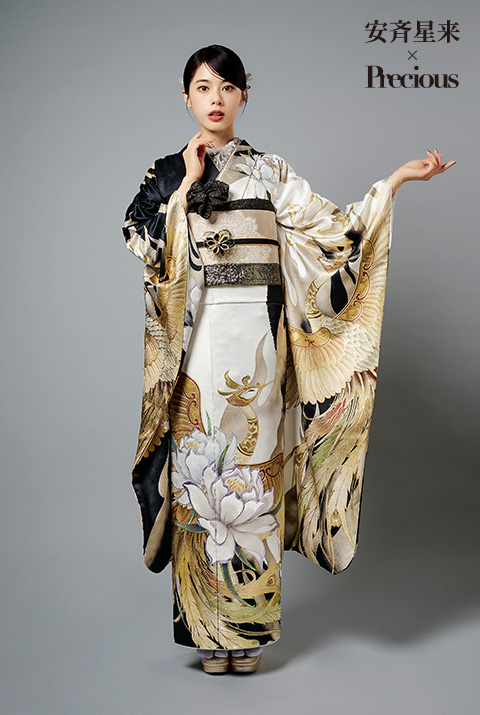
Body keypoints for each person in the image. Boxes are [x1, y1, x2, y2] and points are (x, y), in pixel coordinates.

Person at [122, 45, 455, 675]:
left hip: (259, 339)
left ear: (245, 96)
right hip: (198, 344)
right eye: (203, 87)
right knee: (201, 475)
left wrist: (393, 184)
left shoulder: (271, 171)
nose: (216, 98)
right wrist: (187, 186)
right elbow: (142, 242)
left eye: (228, 86)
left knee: (254, 478)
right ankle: (208, 631)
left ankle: (247, 630)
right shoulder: (166, 173)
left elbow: (336, 233)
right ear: (186, 98)